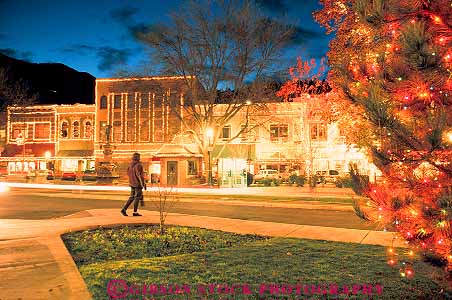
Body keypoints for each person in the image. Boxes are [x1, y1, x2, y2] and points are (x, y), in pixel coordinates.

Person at [121, 152, 146, 216]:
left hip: (132, 183)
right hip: (138, 184)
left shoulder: (130, 165)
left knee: (132, 197)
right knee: (137, 197)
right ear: (138, 158)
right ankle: (135, 212)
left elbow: (128, 174)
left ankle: (124, 209)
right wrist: (143, 184)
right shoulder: (139, 165)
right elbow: (140, 176)